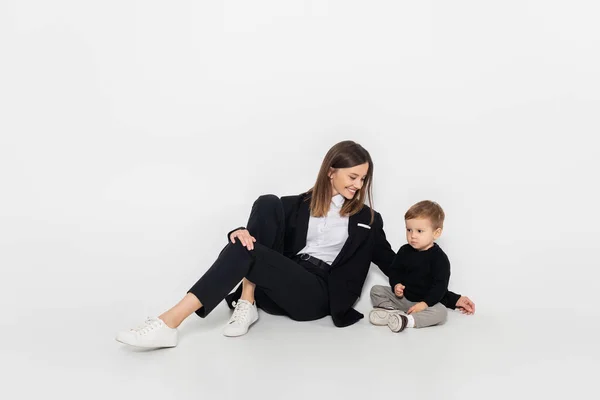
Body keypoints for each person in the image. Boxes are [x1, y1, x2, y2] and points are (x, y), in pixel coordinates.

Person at [115, 141, 475, 348]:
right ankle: (248, 302)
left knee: (248, 248)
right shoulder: (296, 205)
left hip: (316, 294)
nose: (358, 184)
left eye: (364, 178)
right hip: (279, 285)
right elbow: (260, 234)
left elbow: (398, 264)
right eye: (353, 176)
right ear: (330, 171)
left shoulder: (368, 219)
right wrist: (236, 231)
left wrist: (449, 296)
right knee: (267, 202)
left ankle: (170, 323)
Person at [369, 200, 472, 333]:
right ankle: (391, 313)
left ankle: (408, 321)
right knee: (376, 290)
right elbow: (395, 271)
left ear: (436, 233)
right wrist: (396, 284)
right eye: (409, 230)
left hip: (426, 304)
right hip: (403, 299)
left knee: (441, 313)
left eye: (419, 231)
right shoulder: (404, 251)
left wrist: (425, 304)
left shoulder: (440, 259)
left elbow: (439, 288)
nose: (413, 236)